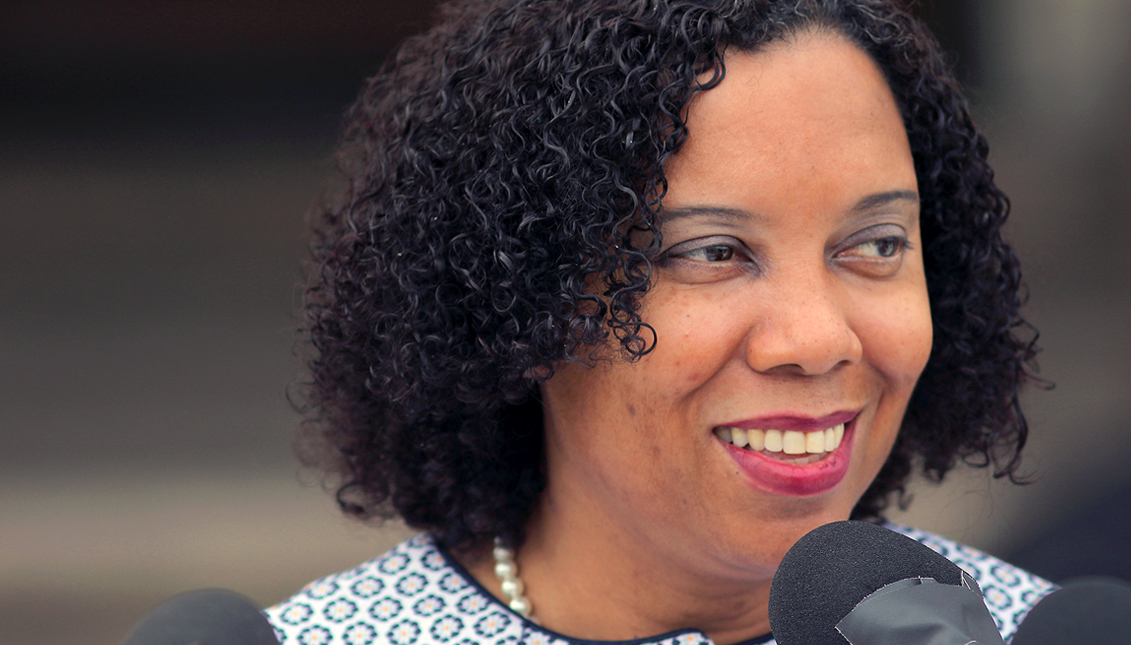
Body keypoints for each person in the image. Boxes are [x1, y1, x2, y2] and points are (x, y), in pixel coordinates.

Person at [266, 1, 1052, 643]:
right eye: (712, 252)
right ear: (526, 292)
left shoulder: (1025, 630)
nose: (816, 340)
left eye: (876, 244)